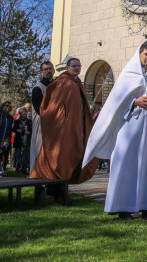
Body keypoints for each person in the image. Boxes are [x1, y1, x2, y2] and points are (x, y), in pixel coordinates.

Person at [83, 42, 147, 219]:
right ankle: (123, 207)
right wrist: (134, 102)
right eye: (146, 54)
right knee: (126, 163)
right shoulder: (128, 75)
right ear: (139, 54)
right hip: (130, 127)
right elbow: (115, 102)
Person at [32, 58, 100, 204]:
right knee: (61, 159)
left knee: (70, 157)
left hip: (77, 127)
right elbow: (54, 107)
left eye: (78, 66)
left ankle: (58, 192)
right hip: (63, 130)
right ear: (67, 67)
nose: (76, 68)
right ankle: (58, 194)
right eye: (73, 66)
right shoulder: (63, 83)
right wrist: (61, 124)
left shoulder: (77, 83)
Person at [30, 61, 55, 175]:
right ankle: (38, 174)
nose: (49, 71)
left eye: (50, 68)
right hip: (42, 123)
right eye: (46, 69)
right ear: (41, 72)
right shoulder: (38, 88)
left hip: (55, 123)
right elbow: (39, 109)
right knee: (40, 148)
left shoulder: (56, 85)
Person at [0, 102, 14, 170]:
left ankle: (3, 168)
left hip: (6, 138)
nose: (8, 107)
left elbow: (10, 129)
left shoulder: (10, 117)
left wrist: (7, 140)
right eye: (6, 106)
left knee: (5, 152)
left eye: (9, 106)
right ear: (3, 106)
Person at [12, 107, 32, 174]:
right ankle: (17, 168)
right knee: (18, 154)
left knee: (25, 154)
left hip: (27, 140)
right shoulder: (17, 121)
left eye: (25, 111)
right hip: (19, 140)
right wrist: (23, 131)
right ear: (20, 113)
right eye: (23, 112)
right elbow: (15, 129)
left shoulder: (29, 121)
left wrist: (29, 131)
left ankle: (24, 168)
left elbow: (31, 128)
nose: (24, 113)